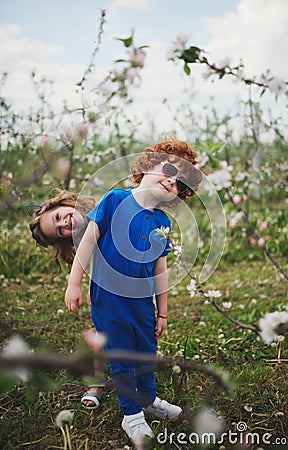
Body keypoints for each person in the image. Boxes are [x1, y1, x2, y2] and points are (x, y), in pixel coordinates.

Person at [64, 140, 202, 445]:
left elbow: (160, 270)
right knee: (122, 354)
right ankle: (131, 414)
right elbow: (87, 242)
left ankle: (149, 399)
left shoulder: (163, 223)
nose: (171, 180)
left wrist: (162, 310)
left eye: (179, 182)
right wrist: (74, 282)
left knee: (146, 353)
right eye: (168, 169)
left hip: (143, 302)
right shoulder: (114, 200)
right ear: (145, 168)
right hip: (109, 299)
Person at [28, 189, 106, 409]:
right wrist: (90, 284)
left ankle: (138, 372)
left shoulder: (105, 208)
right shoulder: (83, 239)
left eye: (58, 217)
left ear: (61, 204)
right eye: (60, 232)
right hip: (109, 288)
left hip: (134, 282)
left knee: (139, 328)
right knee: (101, 332)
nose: (64, 224)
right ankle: (98, 381)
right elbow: (92, 261)